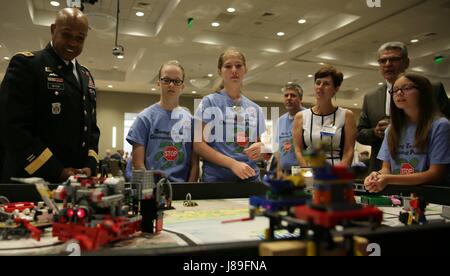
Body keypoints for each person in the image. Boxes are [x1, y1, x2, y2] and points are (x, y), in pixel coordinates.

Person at [0, 8, 100, 183]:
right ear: (53, 29)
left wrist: (89, 165)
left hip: (73, 182)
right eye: (67, 35)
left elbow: (91, 128)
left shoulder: (85, 76)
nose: (73, 43)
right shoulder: (27, 65)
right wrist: (57, 171)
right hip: (33, 180)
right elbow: (12, 127)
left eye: (80, 38)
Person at [357, 41, 450, 172]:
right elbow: (360, 133)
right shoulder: (370, 97)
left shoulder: (432, 89)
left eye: (394, 59)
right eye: (383, 61)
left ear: (406, 62)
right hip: (384, 168)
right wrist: (375, 132)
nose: (388, 64)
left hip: (427, 168)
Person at [364, 73, 450, 193]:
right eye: (394, 90)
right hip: (397, 196)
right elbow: (386, 169)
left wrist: (388, 179)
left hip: (429, 197)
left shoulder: (440, 125)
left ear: (423, 92)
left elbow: (435, 174)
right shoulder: (391, 129)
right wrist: (377, 176)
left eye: (407, 88)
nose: (399, 93)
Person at [194, 48, 266, 182]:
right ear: (219, 71)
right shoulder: (209, 102)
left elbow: (257, 143)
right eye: (228, 66)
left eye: (238, 65)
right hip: (218, 180)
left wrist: (260, 148)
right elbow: (199, 145)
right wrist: (232, 164)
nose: (234, 70)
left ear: (245, 70)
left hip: (250, 178)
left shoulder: (255, 109)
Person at [126, 61, 199, 182]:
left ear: (182, 86)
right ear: (158, 83)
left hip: (181, 191)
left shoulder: (191, 122)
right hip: (152, 190)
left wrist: (188, 192)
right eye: (166, 80)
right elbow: (138, 164)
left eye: (176, 81)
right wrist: (153, 193)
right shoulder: (144, 118)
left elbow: (195, 165)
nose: (171, 84)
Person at [293, 65, 356, 167]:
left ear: (336, 89)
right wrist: (306, 173)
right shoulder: (301, 117)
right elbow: (298, 150)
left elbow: (348, 151)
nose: (320, 87)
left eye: (326, 84)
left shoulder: (346, 115)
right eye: (318, 83)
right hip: (309, 174)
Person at [276, 83, 305, 177]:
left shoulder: (308, 116)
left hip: (302, 172)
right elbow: (279, 148)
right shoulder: (280, 120)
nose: (288, 98)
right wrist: (279, 170)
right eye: (286, 95)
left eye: (293, 95)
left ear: (300, 99)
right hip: (285, 173)